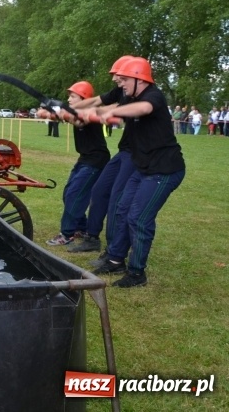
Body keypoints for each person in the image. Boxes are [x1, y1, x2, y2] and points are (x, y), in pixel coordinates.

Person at [88, 57, 186, 288]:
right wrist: (91, 111)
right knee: (122, 209)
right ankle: (115, 259)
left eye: (124, 79)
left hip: (164, 170)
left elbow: (144, 108)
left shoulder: (153, 96)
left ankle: (137, 273)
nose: (119, 83)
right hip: (143, 168)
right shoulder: (131, 96)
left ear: (138, 79)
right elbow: (112, 106)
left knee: (139, 218)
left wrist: (109, 112)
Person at [67, 55, 137, 255]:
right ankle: (92, 238)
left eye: (118, 75)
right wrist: (70, 107)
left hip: (138, 154)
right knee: (98, 191)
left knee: (117, 200)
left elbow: (115, 111)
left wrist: (83, 112)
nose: (114, 79)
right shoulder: (121, 91)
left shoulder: (141, 96)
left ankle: (114, 252)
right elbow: (98, 100)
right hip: (124, 151)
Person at [46, 81, 110, 246]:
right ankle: (81, 227)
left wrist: (60, 113)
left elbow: (78, 120)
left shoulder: (90, 112)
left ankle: (66, 234)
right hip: (85, 158)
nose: (69, 99)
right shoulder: (76, 111)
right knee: (68, 193)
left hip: (96, 160)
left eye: (73, 96)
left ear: (84, 98)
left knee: (74, 195)